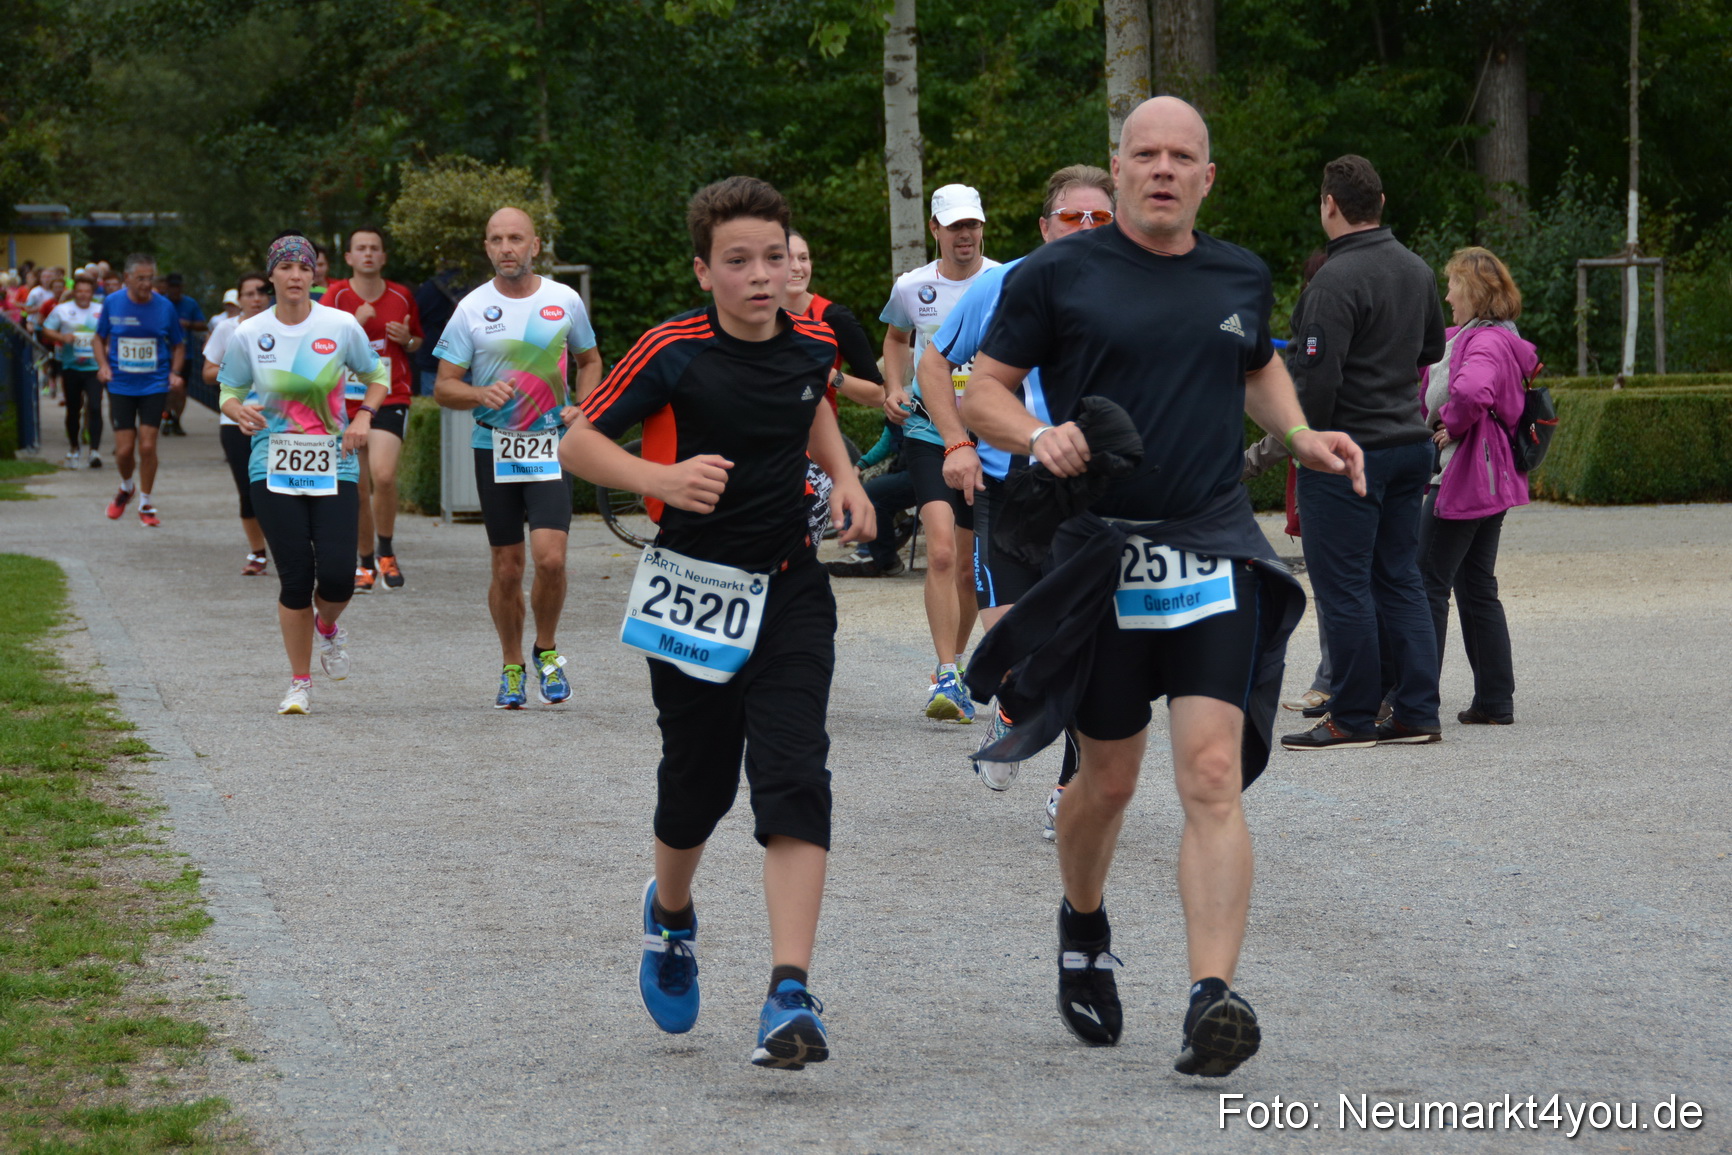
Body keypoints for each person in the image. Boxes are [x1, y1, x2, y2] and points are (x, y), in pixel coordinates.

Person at [960, 96, 1364, 1076]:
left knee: (1212, 775)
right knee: (1106, 781)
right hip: (1100, 552)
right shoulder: (1058, 274)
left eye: (1183, 155)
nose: (1162, 169)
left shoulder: (1238, 272)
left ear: (1206, 176)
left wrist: (1301, 433)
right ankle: (1083, 925)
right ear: (1120, 165)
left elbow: (1253, 366)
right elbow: (983, 387)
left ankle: (1208, 997)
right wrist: (1031, 434)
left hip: (1210, 545)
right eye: (1145, 154)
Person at [562, 175, 873, 1071]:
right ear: (705, 271)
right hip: (692, 590)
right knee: (697, 785)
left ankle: (788, 990)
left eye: (774, 258)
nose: (760, 276)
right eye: (738, 261)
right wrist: (657, 481)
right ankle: (670, 914)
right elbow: (576, 438)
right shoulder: (672, 347)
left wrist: (845, 478)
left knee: (792, 773)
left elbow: (810, 400)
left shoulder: (812, 340)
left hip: (790, 588)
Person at [917, 163, 1115, 833]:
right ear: (1044, 226)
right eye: (1072, 218)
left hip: (1091, 497)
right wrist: (955, 443)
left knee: (1085, 646)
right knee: (1017, 647)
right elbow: (933, 363)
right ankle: (1010, 709)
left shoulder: (1134, 287)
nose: (1086, 229)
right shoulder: (1005, 283)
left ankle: (1070, 785)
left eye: (1100, 218)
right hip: (1009, 487)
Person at [1281, 155, 1448, 750]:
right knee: (1400, 577)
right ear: (1379, 202)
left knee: (1344, 586)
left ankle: (1350, 717)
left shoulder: (1334, 279)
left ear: (1330, 204)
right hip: (1409, 444)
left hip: (1351, 450)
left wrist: (1313, 442)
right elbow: (1432, 346)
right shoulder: (1416, 268)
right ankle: (1415, 711)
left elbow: (1318, 379)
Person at [432, 207, 601, 708]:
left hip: (550, 444)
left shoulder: (563, 300)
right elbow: (444, 387)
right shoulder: (470, 309)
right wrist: (477, 393)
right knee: (507, 568)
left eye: (515, 239)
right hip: (495, 446)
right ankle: (511, 666)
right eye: (496, 239)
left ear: (535, 245)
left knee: (551, 559)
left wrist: (583, 406)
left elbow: (590, 361)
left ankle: (546, 651)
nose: (506, 247)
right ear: (487, 248)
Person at [218, 234, 390, 714]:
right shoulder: (249, 333)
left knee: (336, 578)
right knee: (295, 577)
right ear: (270, 275)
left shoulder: (340, 325)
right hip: (271, 465)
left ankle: (328, 627)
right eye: (286, 267)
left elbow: (378, 377)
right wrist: (236, 409)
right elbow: (228, 387)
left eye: (304, 268)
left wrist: (363, 416)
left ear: (315, 276)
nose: (296, 276)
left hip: (333, 462)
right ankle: (300, 682)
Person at [879, 183, 1001, 722]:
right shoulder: (912, 287)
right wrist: (893, 387)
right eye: (954, 227)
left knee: (972, 570)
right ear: (935, 230)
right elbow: (895, 339)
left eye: (972, 225)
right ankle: (948, 671)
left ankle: (954, 664)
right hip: (930, 431)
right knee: (944, 551)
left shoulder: (1004, 280)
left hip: (987, 437)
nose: (965, 236)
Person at [1418, 247, 1535, 726]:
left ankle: (1415, 702)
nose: (1447, 296)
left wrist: (1452, 422)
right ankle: (1494, 700)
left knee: (1425, 582)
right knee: (1476, 585)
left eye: (1453, 286)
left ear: (1474, 292)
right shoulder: (1501, 337)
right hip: (1494, 481)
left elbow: (1470, 391)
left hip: (1465, 480)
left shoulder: (1484, 342)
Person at [325, 227, 425, 592]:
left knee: (383, 476)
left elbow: (417, 342)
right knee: (357, 487)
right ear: (349, 258)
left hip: (390, 396)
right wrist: (358, 323)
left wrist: (407, 340)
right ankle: (364, 561)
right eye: (360, 249)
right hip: (345, 403)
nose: (368, 254)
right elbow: (319, 346)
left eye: (375, 249)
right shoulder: (336, 297)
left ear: (383, 257)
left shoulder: (402, 295)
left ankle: (386, 551)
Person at [94, 253, 185, 527]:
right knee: (124, 451)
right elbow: (99, 338)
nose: (147, 284)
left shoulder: (164, 306)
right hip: (121, 384)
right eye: (141, 278)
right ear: (127, 278)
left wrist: (175, 372)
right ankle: (126, 487)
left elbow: (178, 344)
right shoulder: (112, 302)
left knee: (147, 445)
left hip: (154, 384)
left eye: (150, 278)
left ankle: (146, 502)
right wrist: (102, 365)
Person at [205, 272, 273, 575]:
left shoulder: (284, 326)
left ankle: (289, 548)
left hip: (279, 419)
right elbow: (207, 372)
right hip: (235, 420)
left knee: (282, 489)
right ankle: (258, 552)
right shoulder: (226, 329)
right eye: (249, 294)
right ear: (239, 299)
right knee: (248, 490)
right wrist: (235, 370)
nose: (256, 298)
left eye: (261, 292)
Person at [43, 273, 105, 468]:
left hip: (95, 367)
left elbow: (110, 333)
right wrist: (62, 337)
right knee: (73, 409)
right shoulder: (62, 310)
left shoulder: (101, 310)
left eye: (87, 291)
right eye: (79, 291)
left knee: (95, 407)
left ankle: (94, 451)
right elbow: (46, 329)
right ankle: (74, 448)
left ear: (92, 293)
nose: (83, 295)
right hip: (71, 366)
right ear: (74, 292)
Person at [159, 273, 206, 436]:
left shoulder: (189, 304)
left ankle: (176, 419)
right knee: (164, 389)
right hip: (163, 354)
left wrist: (188, 324)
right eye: (171, 287)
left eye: (177, 287)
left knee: (180, 389)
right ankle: (166, 417)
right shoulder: (160, 303)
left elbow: (202, 325)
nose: (174, 290)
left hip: (185, 355)